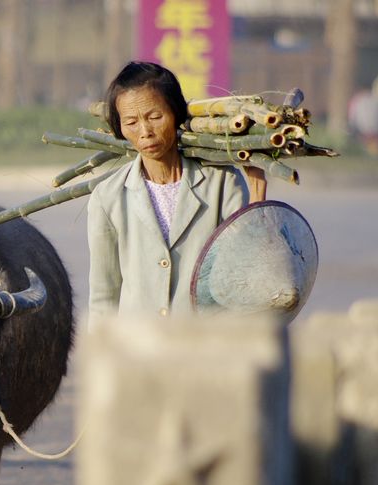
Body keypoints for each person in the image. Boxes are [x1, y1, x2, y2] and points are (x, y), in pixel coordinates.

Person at [86, 61, 266, 322]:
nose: (145, 132)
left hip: (204, 347)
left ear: (176, 114)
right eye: (131, 122)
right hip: (137, 352)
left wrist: (257, 202)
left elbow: (242, 272)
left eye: (155, 117)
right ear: (120, 128)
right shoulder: (107, 197)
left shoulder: (222, 183)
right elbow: (104, 295)